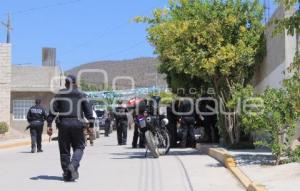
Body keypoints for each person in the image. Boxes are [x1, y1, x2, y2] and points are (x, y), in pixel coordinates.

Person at [47, 75, 94, 182]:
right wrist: (91, 125)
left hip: (63, 124)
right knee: (79, 147)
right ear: (75, 83)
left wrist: (49, 125)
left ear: (66, 83)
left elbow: (52, 111)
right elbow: (88, 112)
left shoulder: (59, 94)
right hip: (77, 123)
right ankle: (73, 165)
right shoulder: (81, 94)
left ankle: (67, 174)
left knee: (64, 151)